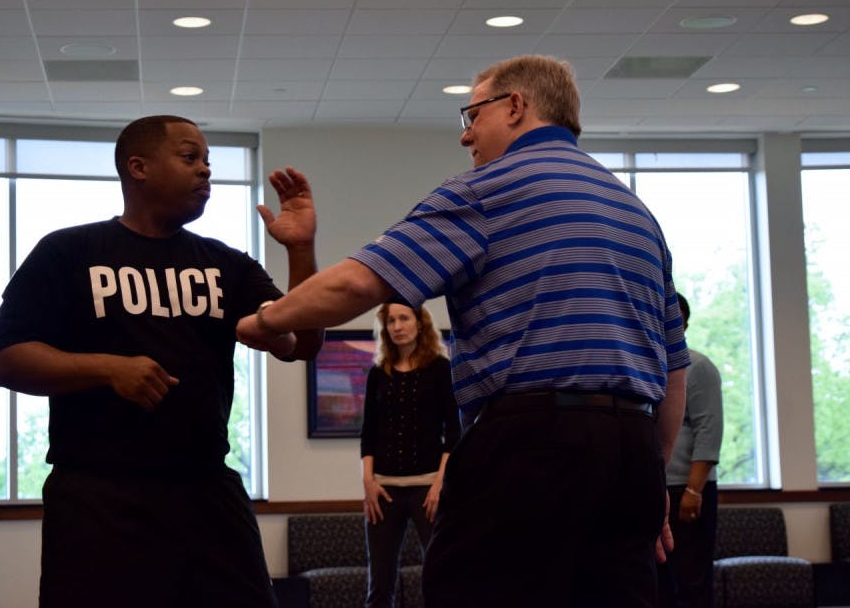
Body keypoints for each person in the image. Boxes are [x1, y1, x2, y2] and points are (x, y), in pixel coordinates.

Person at [236, 54, 689, 607]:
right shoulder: (637, 212)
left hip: (531, 449)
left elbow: (356, 285)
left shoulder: (487, 191)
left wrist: (263, 319)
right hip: (632, 456)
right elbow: (674, 369)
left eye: (471, 115)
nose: (466, 136)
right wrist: (650, 476)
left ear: (516, 107)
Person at [0, 115, 322, 608]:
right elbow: (5, 361)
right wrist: (108, 368)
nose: (205, 171)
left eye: (208, 161)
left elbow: (303, 344)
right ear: (137, 168)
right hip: (97, 498)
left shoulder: (226, 264)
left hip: (207, 491)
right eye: (190, 158)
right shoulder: (68, 252)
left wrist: (300, 250)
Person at [361, 303, 461, 608]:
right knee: (379, 585)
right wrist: (368, 482)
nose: (397, 326)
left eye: (404, 318)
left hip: (428, 488)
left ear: (420, 324)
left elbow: (454, 432)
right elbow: (368, 433)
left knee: (439, 578)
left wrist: (439, 485)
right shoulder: (378, 373)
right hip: (383, 490)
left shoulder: (441, 369)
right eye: (390, 320)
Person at [658, 293, 724, 608]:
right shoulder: (649, 367)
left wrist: (693, 490)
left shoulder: (699, 366)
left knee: (692, 578)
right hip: (657, 487)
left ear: (681, 325)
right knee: (661, 579)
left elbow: (709, 431)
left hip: (687, 489)